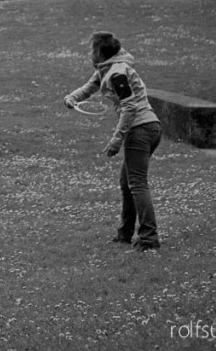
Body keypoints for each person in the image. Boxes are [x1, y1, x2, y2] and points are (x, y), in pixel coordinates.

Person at [63, 32, 162, 251]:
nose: (89, 54)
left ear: (99, 53)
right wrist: (72, 97)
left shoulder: (118, 73)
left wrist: (117, 139)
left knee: (136, 183)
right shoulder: (106, 68)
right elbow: (90, 86)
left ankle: (149, 238)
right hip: (147, 128)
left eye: (91, 50)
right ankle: (125, 234)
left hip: (141, 129)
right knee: (127, 183)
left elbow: (130, 107)